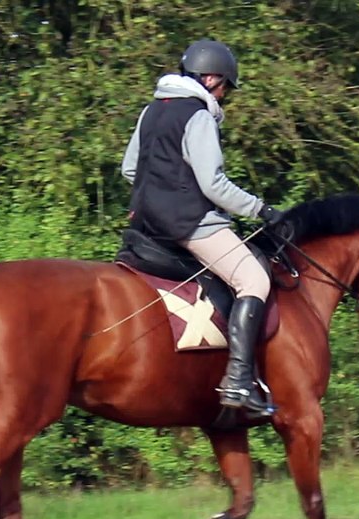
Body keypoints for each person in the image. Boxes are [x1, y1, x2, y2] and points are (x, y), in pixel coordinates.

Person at [121, 38, 284, 417]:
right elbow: (214, 185)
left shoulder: (152, 111)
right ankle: (239, 381)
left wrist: (160, 193)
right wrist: (261, 209)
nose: (225, 95)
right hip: (188, 224)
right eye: (225, 85)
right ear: (211, 78)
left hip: (144, 222)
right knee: (255, 280)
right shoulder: (197, 115)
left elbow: (131, 169)